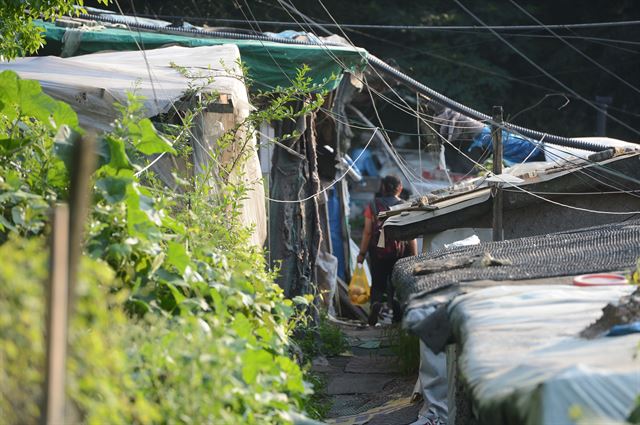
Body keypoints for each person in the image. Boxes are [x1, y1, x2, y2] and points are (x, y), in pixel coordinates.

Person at [357, 175, 417, 325]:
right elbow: (411, 234)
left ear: (382, 188)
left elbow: (368, 232)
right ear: (400, 188)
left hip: (378, 252)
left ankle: (376, 304)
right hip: (400, 252)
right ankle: (397, 315)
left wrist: (362, 254)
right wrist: (415, 256)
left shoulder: (373, 205)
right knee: (397, 283)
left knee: (378, 283)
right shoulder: (405, 206)